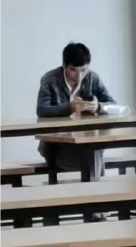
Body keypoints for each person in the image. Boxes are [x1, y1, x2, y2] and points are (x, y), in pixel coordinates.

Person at [36, 42, 115, 181]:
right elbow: (41, 110)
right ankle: (94, 187)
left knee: (94, 147)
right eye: (73, 70)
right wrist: (70, 108)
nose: (79, 76)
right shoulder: (50, 80)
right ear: (64, 66)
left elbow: (113, 105)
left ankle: (95, 188)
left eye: (83, 70)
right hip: (57, 143)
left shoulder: (92, 78)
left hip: (87, 139)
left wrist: (98, 107)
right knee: (92, 152)